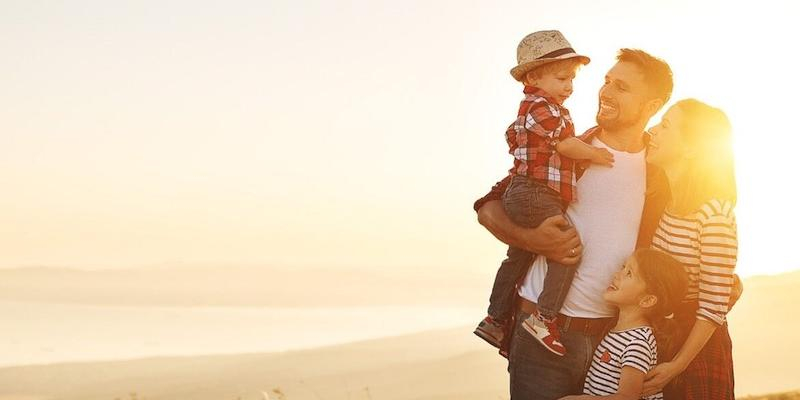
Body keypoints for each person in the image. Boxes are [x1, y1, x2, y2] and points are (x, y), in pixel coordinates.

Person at [474, 48, 675, 399]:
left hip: (613, 341)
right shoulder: (567, 151)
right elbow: (487, 207)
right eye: (607, 81)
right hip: (541, 332)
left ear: (651, 105)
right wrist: (535, 240)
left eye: (622, 88)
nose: (606, 92)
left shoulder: (659, 174)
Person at [474, 30, 614, 357]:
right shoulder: (543, 108)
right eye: (562, 78)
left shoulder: (537, 107)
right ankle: (545, 317)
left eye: (572, 80)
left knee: (518, 256)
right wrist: (595, 154)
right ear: (534, 77)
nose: (569, 87)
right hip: (535, 193)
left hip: (527, 192)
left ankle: (495, 318)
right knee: (567, 250)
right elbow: (565, 144)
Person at [640, 99, 738, 399]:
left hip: (696, 350)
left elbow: (713, 307)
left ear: (691, 149)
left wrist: (677, 365)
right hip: (659, 336)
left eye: (665, 125)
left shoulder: (715, 215)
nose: (652, 131)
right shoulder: (664, 202)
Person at [559, 248, 689, 400]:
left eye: (629, 273)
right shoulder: (619, 332)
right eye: (623, 268)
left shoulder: (637, 343)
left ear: (647, 300)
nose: (616, 274)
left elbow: (627, 397)